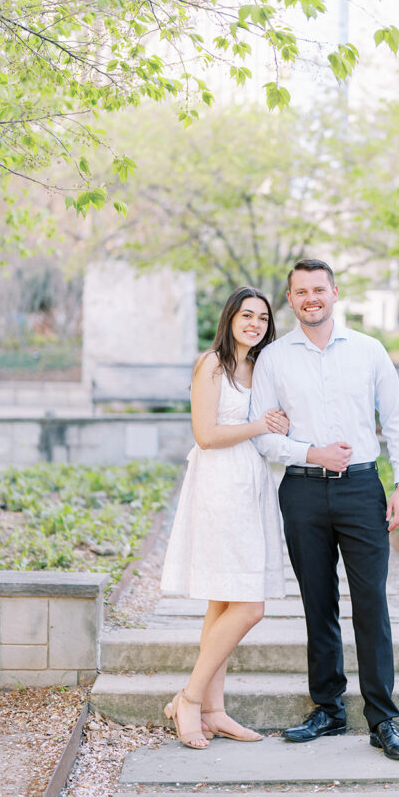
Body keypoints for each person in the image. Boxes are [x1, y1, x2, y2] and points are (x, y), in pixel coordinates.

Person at [249, 258, 399, 761]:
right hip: (301, 493)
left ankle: (383, 719)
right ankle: (327, 709)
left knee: (371, 605)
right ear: (291, 298)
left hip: (362, 488)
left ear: (335, 293)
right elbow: (264, 436)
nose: (310, 298)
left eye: (318, 289)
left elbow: (398, 418)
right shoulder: (273, 359)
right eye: (300, 292)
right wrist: (311, 453)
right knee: (317, 604)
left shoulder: (369, 351)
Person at [160, 286, 289, 749]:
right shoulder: (211, 363)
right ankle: (190, 699)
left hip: (253, 484)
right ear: (230, 318)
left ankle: (214, 709)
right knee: (248, 605)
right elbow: (206, 433)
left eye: (262, 317)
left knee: (223, 602)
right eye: (246, 315)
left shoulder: (262, 367)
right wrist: (262, 425)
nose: (254, 323)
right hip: (218, 485)